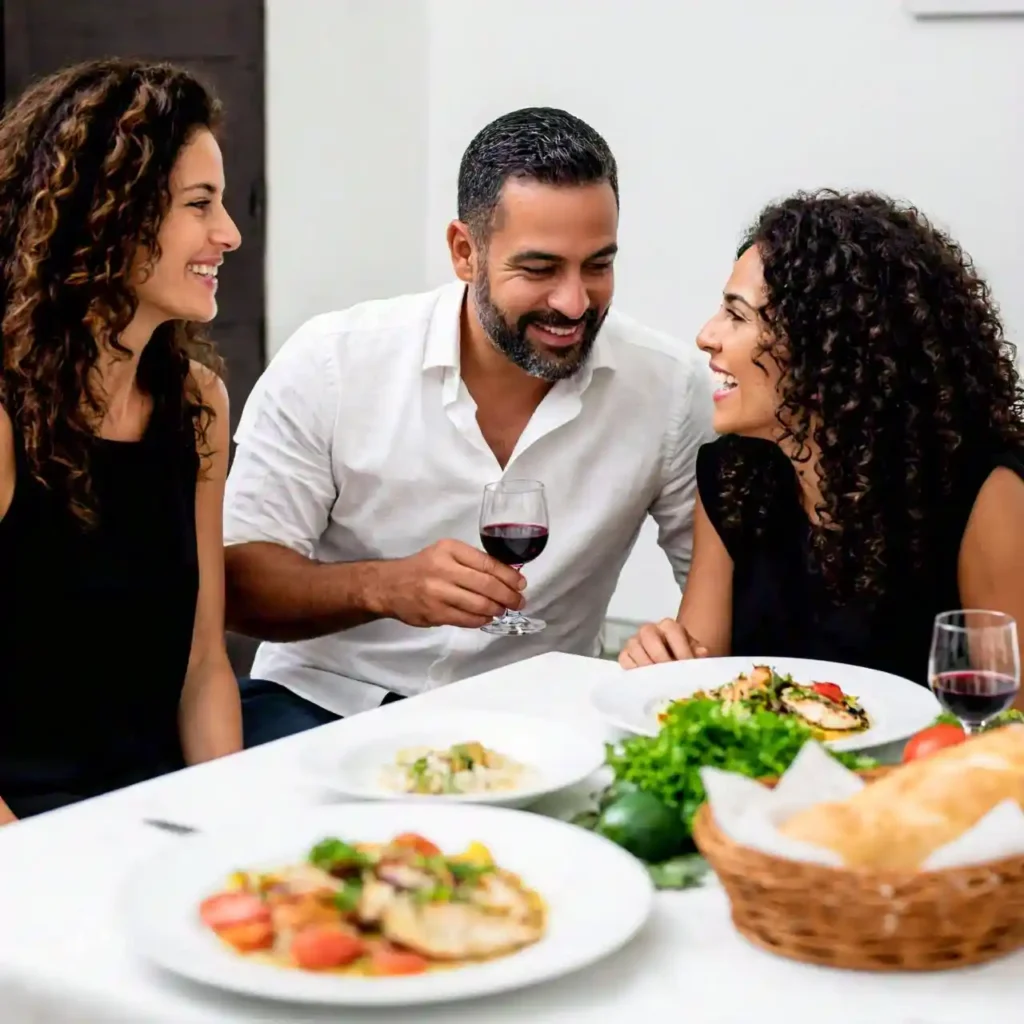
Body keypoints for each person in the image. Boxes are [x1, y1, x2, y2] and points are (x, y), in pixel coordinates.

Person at [224, 106, 714, 745]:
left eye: (597, 265)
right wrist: (383, 585)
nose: (573, 302)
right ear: (465, 251)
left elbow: (713, 581)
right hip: (321, 703)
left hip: (537, 721)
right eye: (539, 270)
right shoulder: (333, 362)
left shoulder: (668, 388)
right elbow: (239, 584)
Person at [618, 189, 1024, 691]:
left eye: (737, 315)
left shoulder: (984, 490)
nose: (706, 335)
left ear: (826, 344)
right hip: (768, 772)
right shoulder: (731, 475)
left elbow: (1006, 728)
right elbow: (701, 684)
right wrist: (664, 662)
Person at [0, 59, 244, 825]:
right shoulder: (3, 416)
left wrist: (233, 832)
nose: (228, 234)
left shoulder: (198, 401)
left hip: (155, 815)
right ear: (111, 214)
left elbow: (204, 668)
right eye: (199, 205)